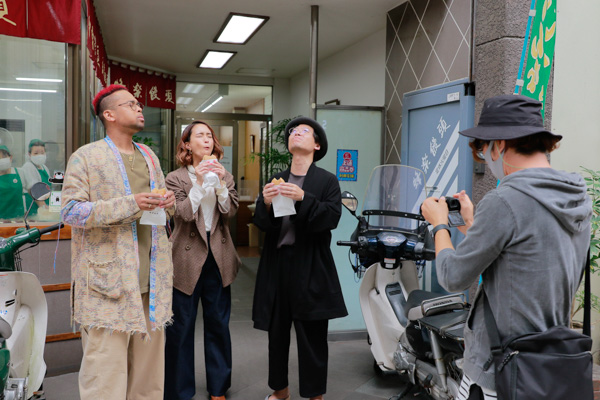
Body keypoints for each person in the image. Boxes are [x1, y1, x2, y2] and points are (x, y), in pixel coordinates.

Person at [420, 94, 592, 400]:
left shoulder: (504, 200)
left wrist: (439, 225)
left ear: (499, 145)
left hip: (501, 372)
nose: (485, 158)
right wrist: (472, 224)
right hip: (552, 368)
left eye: (483, 149)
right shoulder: (577, 197)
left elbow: (452, 276)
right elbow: (527, 262)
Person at [61, 84, 175, 400]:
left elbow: (161, 207)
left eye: (139, 104)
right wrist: (131, 203)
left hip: (151, 282)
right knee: (105, 378)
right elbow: (71, 211)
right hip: (107, 285)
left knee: (148, 379)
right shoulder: (86, 156)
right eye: (131, 104)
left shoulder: (149, 156)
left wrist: (168, 202)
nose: (139, 108)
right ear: (109, 115)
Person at [252, 117, 348, 400]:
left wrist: (303, 197)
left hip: (311, 265)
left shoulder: (327, 180)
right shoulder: (276, 178)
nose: (296, 133)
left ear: (317, 145)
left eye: (305, 131)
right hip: (277, 265)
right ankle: (280, 391)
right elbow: (263, 224)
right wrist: (265, 203)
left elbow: (331, 218)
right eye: (293, 131)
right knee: (277, 335)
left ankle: (315, 395)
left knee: (313, 337)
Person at [164, 120, 241, 400]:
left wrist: (220, 184)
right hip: (186, 257)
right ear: (187, 144)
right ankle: (179, 390)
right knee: (181, 327)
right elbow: (183, 214)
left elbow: (230, 211)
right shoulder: (175, 178)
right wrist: (198, 181)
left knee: (218, 323)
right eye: (200, 135)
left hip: (218, 254)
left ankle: (218, 388)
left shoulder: (225, 174)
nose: (207, 140)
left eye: (210, 136)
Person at [22, 139, 51, 215]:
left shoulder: (44, 167)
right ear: (29, 154)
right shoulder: (28, 167)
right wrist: (43, 207)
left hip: (45, 204)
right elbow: (33, 189)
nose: (39, 155)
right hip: (33, 207)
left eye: (42, 153)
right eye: (36, 153)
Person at [0, 145, 27, 221]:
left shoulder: (20, 173)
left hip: (18, 220)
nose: (1, 160)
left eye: (4, 157)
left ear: (10, 157)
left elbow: (27, 195)